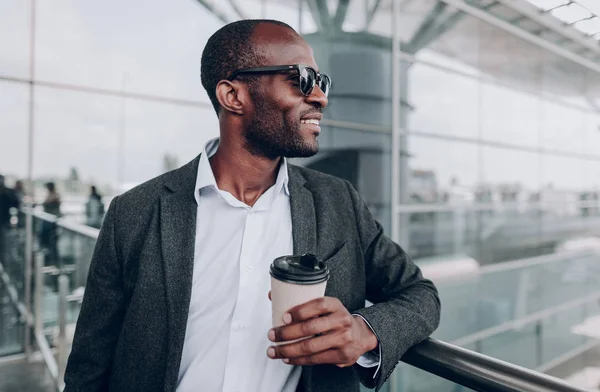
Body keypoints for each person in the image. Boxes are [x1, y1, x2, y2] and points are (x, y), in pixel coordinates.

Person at [64, 20, 440, 392]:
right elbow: (88, 371)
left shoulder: (338, 201)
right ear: (233, 96)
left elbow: (421, 295)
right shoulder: (134, 213)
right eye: (301, 80)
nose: (321, 97)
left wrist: (365, 331)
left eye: (321, 83)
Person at [39, 182, 61, 263]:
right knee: (47, 240)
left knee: (52, 241)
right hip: (48, 221)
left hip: (51, 222)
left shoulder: (55, 196)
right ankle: (49, 258)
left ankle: (53, 259)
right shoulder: (51, 195)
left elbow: (51, 204)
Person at [0, 174, 19, 261]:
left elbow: (15, 203)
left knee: (3, 246)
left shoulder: (7, 192)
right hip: (4, 222)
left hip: (3, 222)